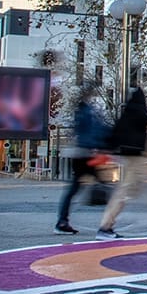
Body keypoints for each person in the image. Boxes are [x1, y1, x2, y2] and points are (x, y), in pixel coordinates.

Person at [97, 82, 147, 240]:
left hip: (129, 156)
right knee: (124, 192)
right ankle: (105, 226)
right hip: (136, 158)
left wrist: (108, 149)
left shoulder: (127, 113)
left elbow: (115, 133)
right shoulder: (139, 113)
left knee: (139, 190)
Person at [55, 82, 110, 234]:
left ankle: (62, 221)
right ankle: (108, 225)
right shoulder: (88, 112)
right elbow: (95, 132)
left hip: (81, 154)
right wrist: (105, 144)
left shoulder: (81, 110)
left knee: (75, 188)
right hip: (85, 155)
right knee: (103, 186)